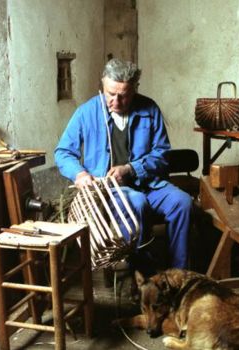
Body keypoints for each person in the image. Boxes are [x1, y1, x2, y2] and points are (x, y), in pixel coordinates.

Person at [55, 58, 192, 275]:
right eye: (111, 94)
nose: (116, 101)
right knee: (137, 203)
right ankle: (142, 276)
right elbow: (63, 152)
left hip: (149, 184)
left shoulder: (149, 109)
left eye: (124, 95)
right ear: (102, 85)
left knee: (182, 203)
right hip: (110, 191)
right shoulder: (86, 112)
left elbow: (162, 154)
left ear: (135, 89)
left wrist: (130, 169)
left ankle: (179, 274)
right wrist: (79, 174)